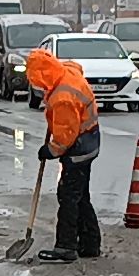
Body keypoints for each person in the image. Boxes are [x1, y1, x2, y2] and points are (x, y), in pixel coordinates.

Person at [23, 48, 102, 263]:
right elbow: (76, 66)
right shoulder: (66, 73)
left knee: (68, 196)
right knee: (80, 195)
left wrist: (49, 150)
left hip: (79, 147)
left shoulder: (62, 97)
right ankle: (90, 243)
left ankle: (66, 246)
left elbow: (65, 136)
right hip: (91, 140)